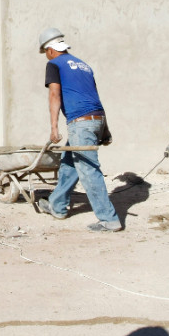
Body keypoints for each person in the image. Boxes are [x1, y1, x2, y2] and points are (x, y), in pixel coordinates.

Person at [36, 27, 122, 232]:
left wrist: (54, 127)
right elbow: (95, 97)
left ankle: (109, 219)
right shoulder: (84, 66)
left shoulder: (54, 64)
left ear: (49, 50)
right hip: (96, 118)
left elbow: (54, 95)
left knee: (88, 170)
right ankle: (57, 205)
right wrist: (105, 129)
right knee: (69, 164)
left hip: (80, 123)